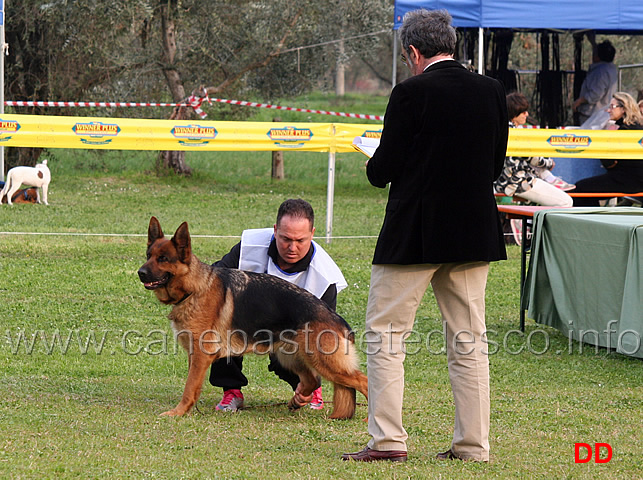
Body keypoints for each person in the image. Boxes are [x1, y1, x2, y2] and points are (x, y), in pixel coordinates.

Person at [341, 9, 507, 463]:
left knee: (387, 337)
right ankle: (473, 445)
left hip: (414, 234)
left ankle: (388, 441)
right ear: (451, 44)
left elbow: (383, 170)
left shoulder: (410, 92)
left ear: (413, 52)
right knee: (469, 341)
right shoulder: (492, 91)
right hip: (473, 233)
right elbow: (494, 166)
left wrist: (372, 159)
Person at [209, 198, 348, 411]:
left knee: (301, 350)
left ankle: (310, 389)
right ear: (275, 230)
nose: (292, 247)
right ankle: (231, 392)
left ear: (313, 233)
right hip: (243, 319)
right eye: (285, 239)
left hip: (290, 332)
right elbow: (211, 280)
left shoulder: (325, 276)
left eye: (300, 240)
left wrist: (312, 378)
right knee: (218, 324)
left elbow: (322, 337)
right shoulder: (249, 246)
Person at [573, 92, 643, 206]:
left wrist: (604, 142)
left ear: (624, 108)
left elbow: (610, 163)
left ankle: (591, 222)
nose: (608, 110)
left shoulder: (624, 130)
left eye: (612, 107)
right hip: (634, 179)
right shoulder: (637, 127)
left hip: (629, 181)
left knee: (581, 188)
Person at [572, 37, 617, 125]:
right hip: (602, 114)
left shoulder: (600, 72)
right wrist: (592, 40)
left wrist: (579, 101)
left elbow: (595, 94)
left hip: (592, 116)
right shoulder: (611, 69)